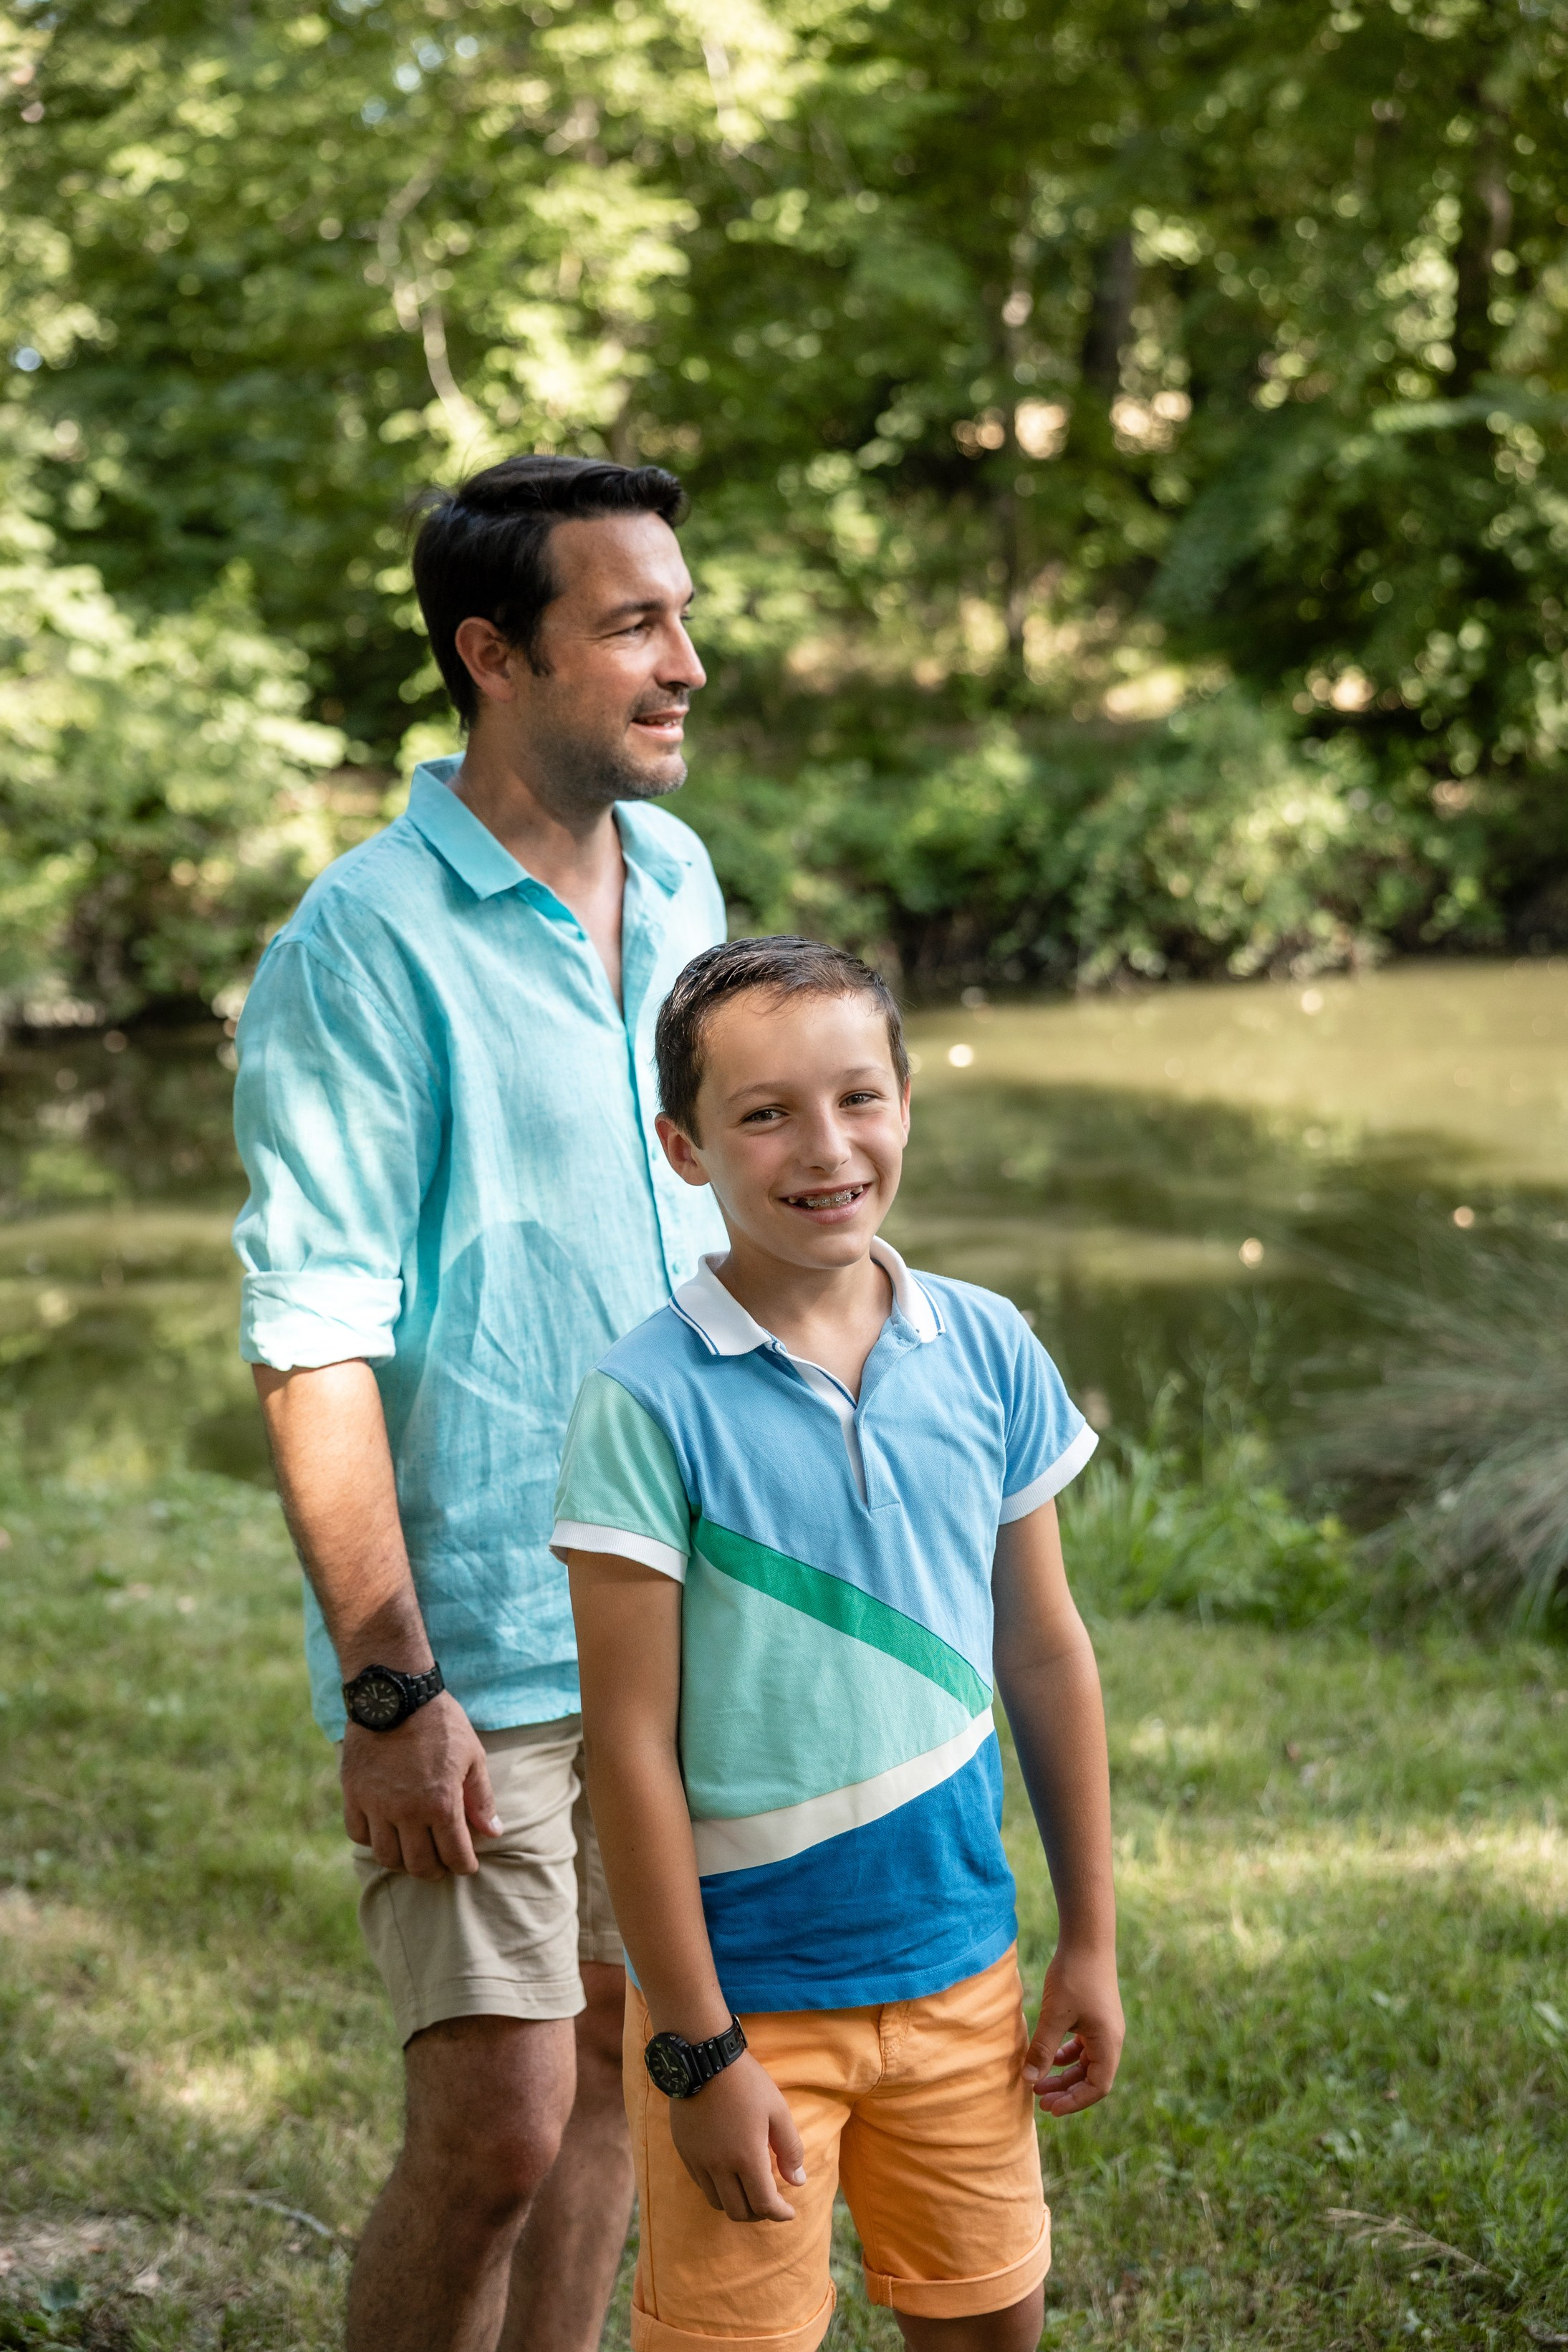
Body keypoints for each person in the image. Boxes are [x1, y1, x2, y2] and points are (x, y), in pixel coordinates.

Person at [231, 453, 728, 2352]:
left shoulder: (679, 875)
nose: (683, 660)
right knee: (496, 2123)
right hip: (473, 1637)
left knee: (623, 2059)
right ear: (492, 655)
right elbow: (312, 1335)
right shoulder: (356, 945)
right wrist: (389, 1683)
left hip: (666, 1591)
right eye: (631, 625)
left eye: (684, 615)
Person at [555, 936, 1125, 2352]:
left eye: (858, 1098)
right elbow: (625, 1743)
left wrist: (1092, 1942)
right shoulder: (646, 1400)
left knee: (991, 2320)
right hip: (752, 2003)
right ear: (684, 1149)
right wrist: (695, 2044)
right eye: (765, 1114)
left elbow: (1044, 1651)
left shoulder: (986, 1348)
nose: (827, 1148)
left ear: (908, 1102)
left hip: (961, 1972)